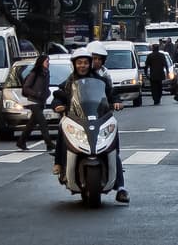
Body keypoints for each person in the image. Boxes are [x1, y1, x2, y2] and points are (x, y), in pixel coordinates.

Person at [52, 48, 129, 203]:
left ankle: (120, 187)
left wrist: (117, 102)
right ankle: (59, 163)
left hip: (100, 119)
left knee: (112, 146)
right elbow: (58, 95)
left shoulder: (101, 80)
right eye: (79, 63)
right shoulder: (68, 82)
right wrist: (58, 105)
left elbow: (112, 94)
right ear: (74, 64)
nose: (83, 66)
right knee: (62, 124)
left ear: (90, 64)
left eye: (85, 62)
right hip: (76, 119)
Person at [17, 54, 55, 151]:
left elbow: (45, 87)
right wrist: (36, 94)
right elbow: (26, 87)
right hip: (33, 101)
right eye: (47, 61)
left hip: (41, 101)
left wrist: (47, 93)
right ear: (41, 62)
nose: (48, 63)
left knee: (31, 124)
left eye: (48, 61)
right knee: (43, 123)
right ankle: (49, 143)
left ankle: (21, 142)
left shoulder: (46, 73)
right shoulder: (35, 73)